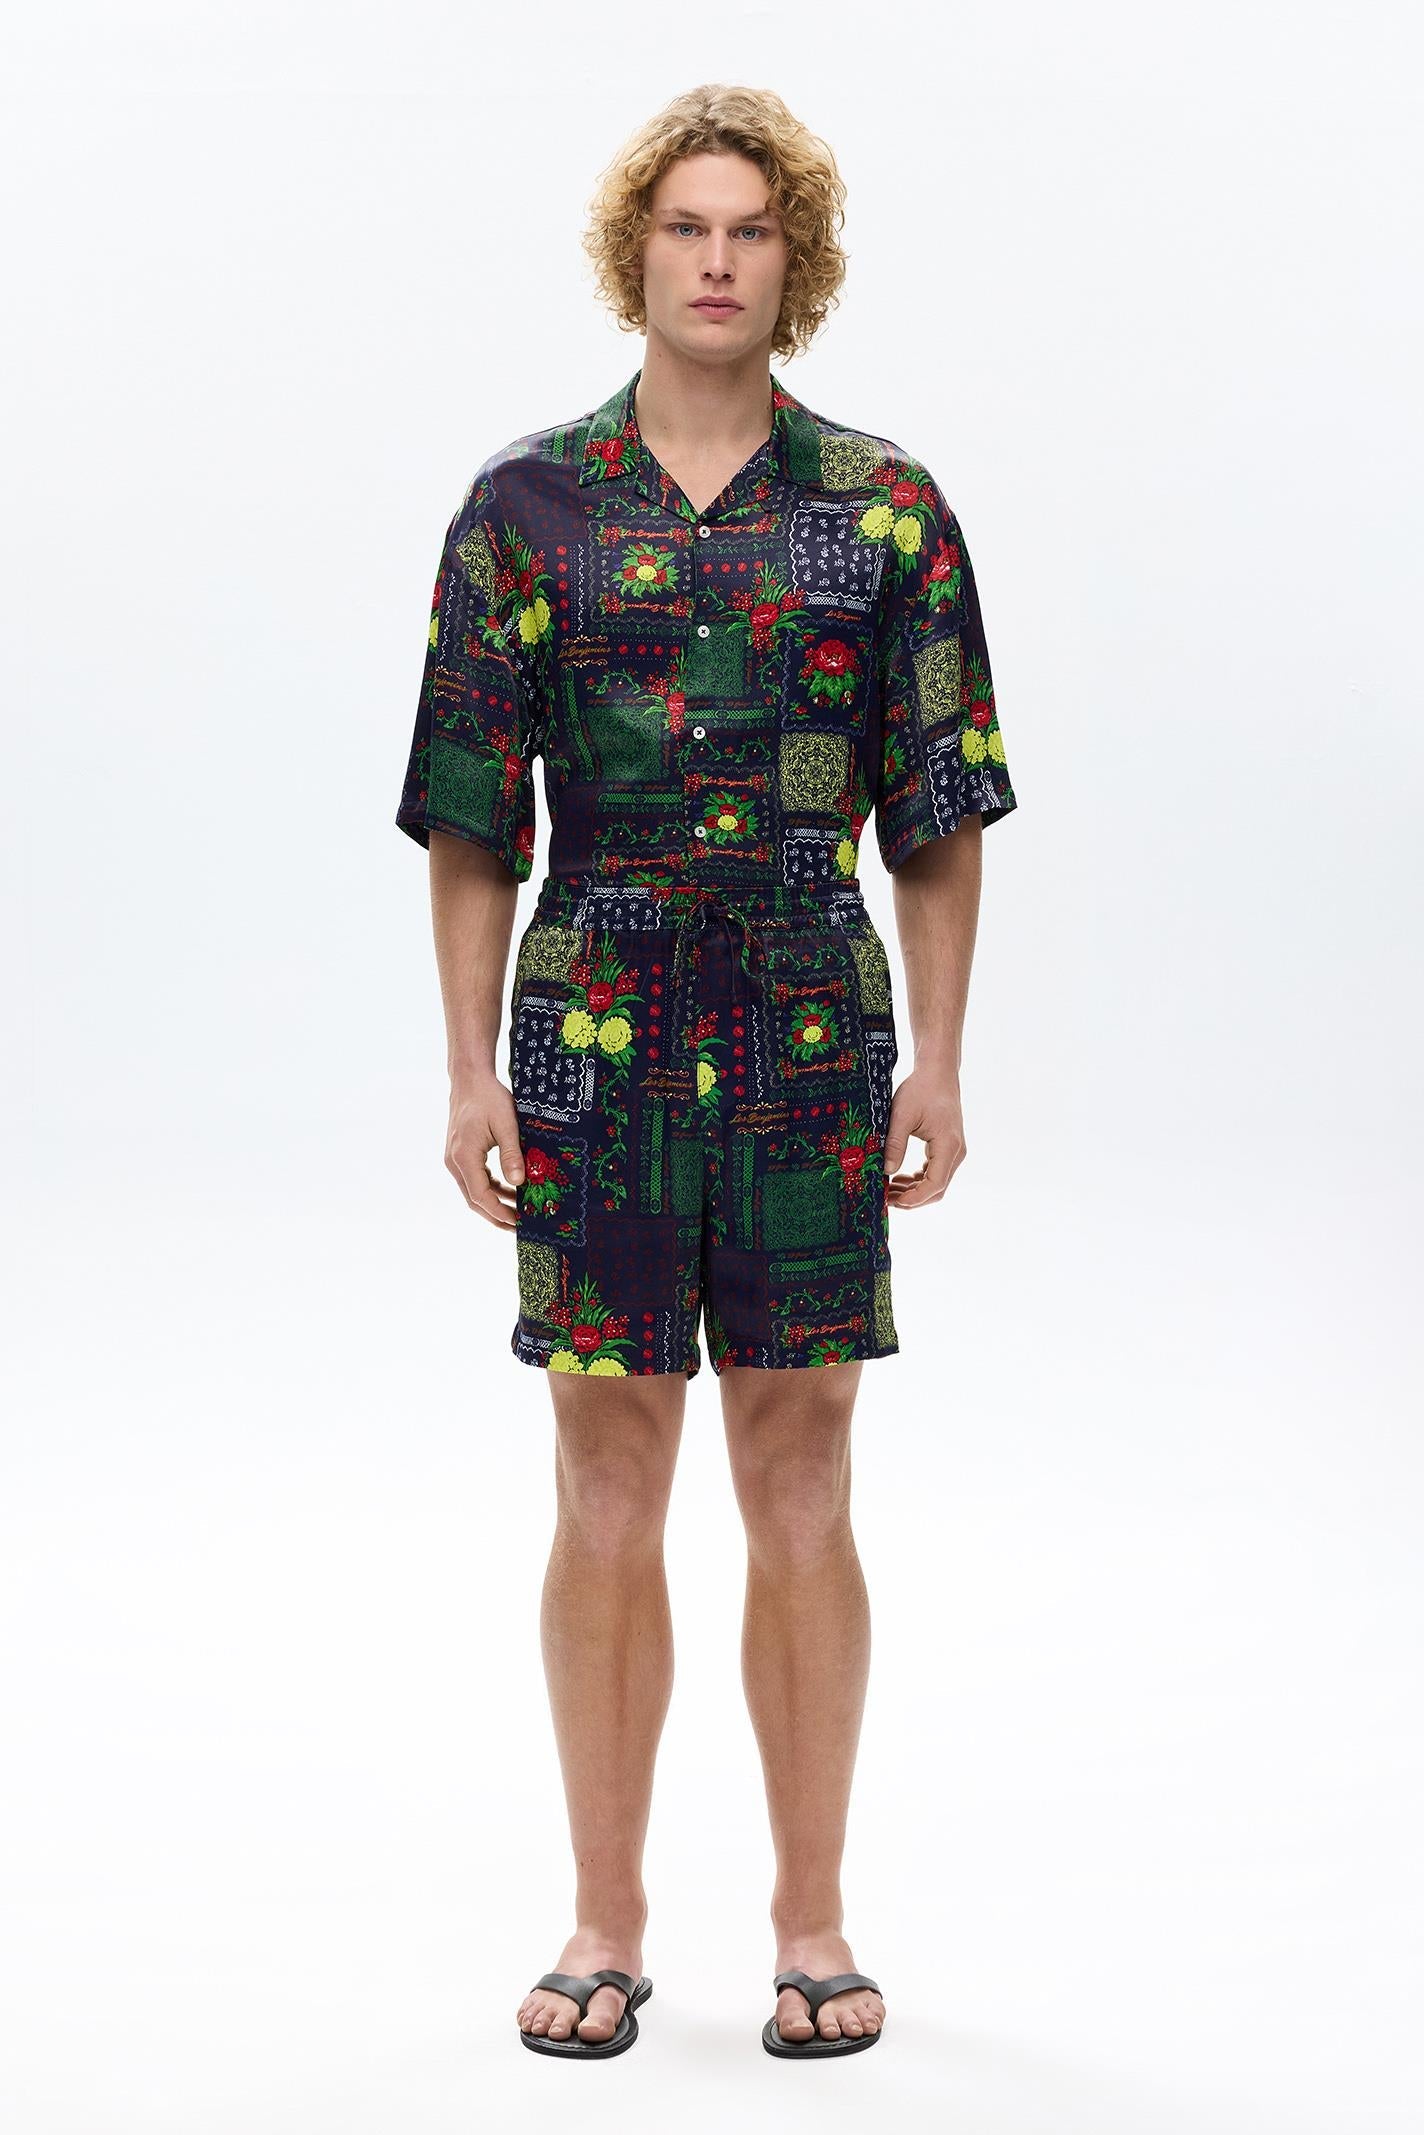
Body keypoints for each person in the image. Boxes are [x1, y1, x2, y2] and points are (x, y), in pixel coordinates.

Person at [394, 83, 1018, 2062]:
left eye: (751, 228)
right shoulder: (528, 511)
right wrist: (469, 1071)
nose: (718, 259)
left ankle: (812, 1923)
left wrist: (940, 1060)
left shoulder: (884, 511)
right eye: (687, 226)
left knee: (802, 1470)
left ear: (792, 259)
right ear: (637, 253)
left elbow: (937, 815)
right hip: (593, 1029)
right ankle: (603, 1919)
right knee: (602, 1475)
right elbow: (472, 819)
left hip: (808, 1024)